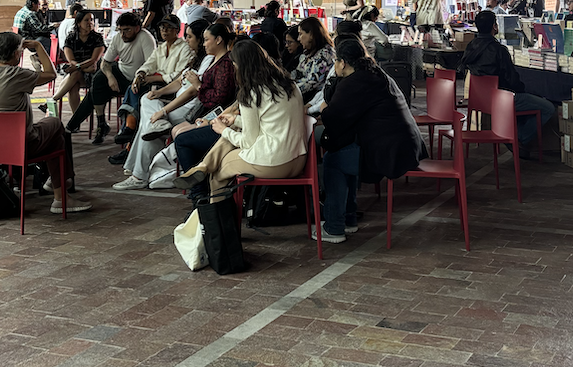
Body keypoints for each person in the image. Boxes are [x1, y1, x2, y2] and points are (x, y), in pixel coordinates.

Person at [315, 36, 424, 243]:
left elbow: (333, 118)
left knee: (333, 160)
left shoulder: (355, 81)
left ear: (343, 63)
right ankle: (348, 219)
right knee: (341, 151)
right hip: (402, 145)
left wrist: (323, 108)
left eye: (336, 61)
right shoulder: (375, 73)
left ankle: (334, 227)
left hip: (389, 151)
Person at [173, 37, 306, 206]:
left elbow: (248, 142)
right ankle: (202, 167)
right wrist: (235, 120)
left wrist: (223, 130)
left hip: (274, 162)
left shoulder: (252, 92)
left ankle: (214, 217)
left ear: (240, 66)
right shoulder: (289, 85)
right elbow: (271, 123)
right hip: (298, 158)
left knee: (217, 175)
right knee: (233, 130)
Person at [0, 32, 89, 214]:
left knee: (53, 135)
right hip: (19, 146)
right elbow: (51, 74)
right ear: (16, 54)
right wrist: (39, 47)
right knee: (55, 125)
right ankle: (60, 193)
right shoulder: (16, 74)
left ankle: (59, 185)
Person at [119, 20, 237, 190]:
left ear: (217, 40)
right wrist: (159, 93)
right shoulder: (200, 58)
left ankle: (138, 174)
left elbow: (198, 92)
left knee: (150, 123)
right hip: (185, 104)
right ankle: (136, 167)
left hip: (194, 109)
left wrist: (164, 110)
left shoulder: (217, 62)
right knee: (148, 106)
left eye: (191, 37)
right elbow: (180, 81)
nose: (186, 40)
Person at [456, 10, 557, 154]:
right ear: (494, 26)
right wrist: (523, 90)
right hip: (502, 99)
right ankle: (519, 137)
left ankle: (511, 134)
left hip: (480, 100)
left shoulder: (471, 46)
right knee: (548, 107)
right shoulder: (499, 50)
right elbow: (512, 80)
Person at [65, 10, 156, 144]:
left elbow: (151, 66)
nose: (123, 34)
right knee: (98, 79)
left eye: (127, 30)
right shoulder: (118, 38)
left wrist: (139, 77)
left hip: (140, 79)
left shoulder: (145, 38)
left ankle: (73, 126)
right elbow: (105, 62)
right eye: (120, 30)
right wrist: (110, 77)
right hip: (120, 72)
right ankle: (101, 122)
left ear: (137, 29)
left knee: (92, 94)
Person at [109, 14, 193, 157]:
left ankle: (129, 133)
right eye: (162, 27)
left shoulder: (184, 48)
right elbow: (149, 64)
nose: (164, 31)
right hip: (156, 84)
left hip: (171, 88)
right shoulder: (161, 47)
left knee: (139, 99)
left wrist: (156, 78)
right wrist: (140, 75)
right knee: (134, 88)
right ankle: (129, 131)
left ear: (177, 30)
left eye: (169, 28)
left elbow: (179, 75)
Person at [53, 8, 105, 111]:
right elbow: (71, 60)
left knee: (74, 76)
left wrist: (78, 67)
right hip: (79, 72)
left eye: (92, 20)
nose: (90, 23)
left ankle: (54, 99)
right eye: (86, 20)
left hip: (94, 75)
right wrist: (81, 68)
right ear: (78, 23)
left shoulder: (97, 38)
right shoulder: (71, 38)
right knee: (73, 85)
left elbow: (93, 60)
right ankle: (76, 117)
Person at [291, 16, 335, 102]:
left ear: (311, 34)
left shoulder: (325, 55)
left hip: (314, 100)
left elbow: (311, 83)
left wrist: (288, 89)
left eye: (301, 34)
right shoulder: (309, 52)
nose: (298, 39)